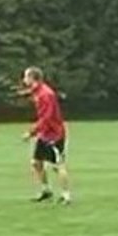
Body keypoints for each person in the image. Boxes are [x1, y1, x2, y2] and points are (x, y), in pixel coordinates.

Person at [20, 66, 72, 204]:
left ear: (32, 78)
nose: (24, 80)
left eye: (26, 77)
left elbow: (46, 118)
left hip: (54, 134)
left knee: (57, 165)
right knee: (36, 163)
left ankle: (66, 196)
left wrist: (31, 133)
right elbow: (32, 93)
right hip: (45, 134)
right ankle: (46, 191)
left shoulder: (45, 94)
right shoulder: (38, 91)